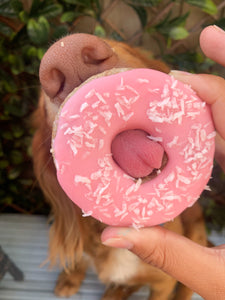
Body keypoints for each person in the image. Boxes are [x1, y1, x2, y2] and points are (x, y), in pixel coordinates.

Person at [101, 25, 225, 300]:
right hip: (105, 238)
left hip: (173, 229)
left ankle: (186, 284)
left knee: (167, 279)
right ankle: (123, 286)